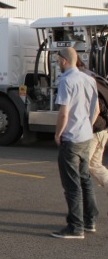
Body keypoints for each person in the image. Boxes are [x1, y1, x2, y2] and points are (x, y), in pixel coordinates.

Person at [52, 47, 99, 238]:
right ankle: (90, 220)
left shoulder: (66, 81)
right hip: (86, 135)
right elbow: (95, 109)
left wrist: (57, 134)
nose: (57, 64)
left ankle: (75, 227)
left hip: (71, 138)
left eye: (57, 60)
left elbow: (64, 112)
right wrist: (86, 125)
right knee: (85, 179)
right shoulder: (89, 79)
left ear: (64, 61)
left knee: (72, 185)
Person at [77, 58, 108, 188]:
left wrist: (87, 129)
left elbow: (96, 108)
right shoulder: (92, 75)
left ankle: (82, 204)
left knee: (83, 166)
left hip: (95, 129)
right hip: (103, 127)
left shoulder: (83, 78)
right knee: (95, 165)